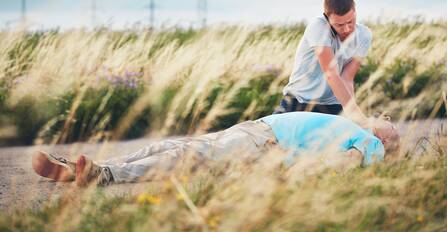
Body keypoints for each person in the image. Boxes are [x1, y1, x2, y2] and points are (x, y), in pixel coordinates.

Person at [32, 112, 400, 187]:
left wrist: (294, 170)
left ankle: (102, 176)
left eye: (388, 124)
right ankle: (85, 168)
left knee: (181, 157)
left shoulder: (369, 141)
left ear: (386, 140)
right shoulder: (353, 127)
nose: (381, 117)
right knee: (168, 146)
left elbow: (353, 164)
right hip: (254, 131)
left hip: (263, 142)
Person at [274, 0, 372, 127]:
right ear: (327, 17)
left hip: (333, 104)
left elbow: (347, 78)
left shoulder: (364, 35)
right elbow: (331, 74)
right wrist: (358, 117)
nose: (346, 29)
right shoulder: (318, 27)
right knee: (273, 142)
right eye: (339, 25)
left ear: (355, 11)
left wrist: (353, 116)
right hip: (300, 100)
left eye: (350, 21)